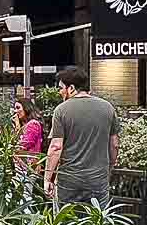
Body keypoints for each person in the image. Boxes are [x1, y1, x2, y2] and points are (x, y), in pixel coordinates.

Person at [44, 66, 119, 207]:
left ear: (71, 88)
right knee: (97, 218)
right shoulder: (108, 108)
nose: (60, 92)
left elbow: (56, 147)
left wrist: (47, 178)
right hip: (98, 180)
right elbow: (114, 144)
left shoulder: (61, 110)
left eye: (61, 88)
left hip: (69, 181)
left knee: (66, 219)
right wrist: (109, 168)